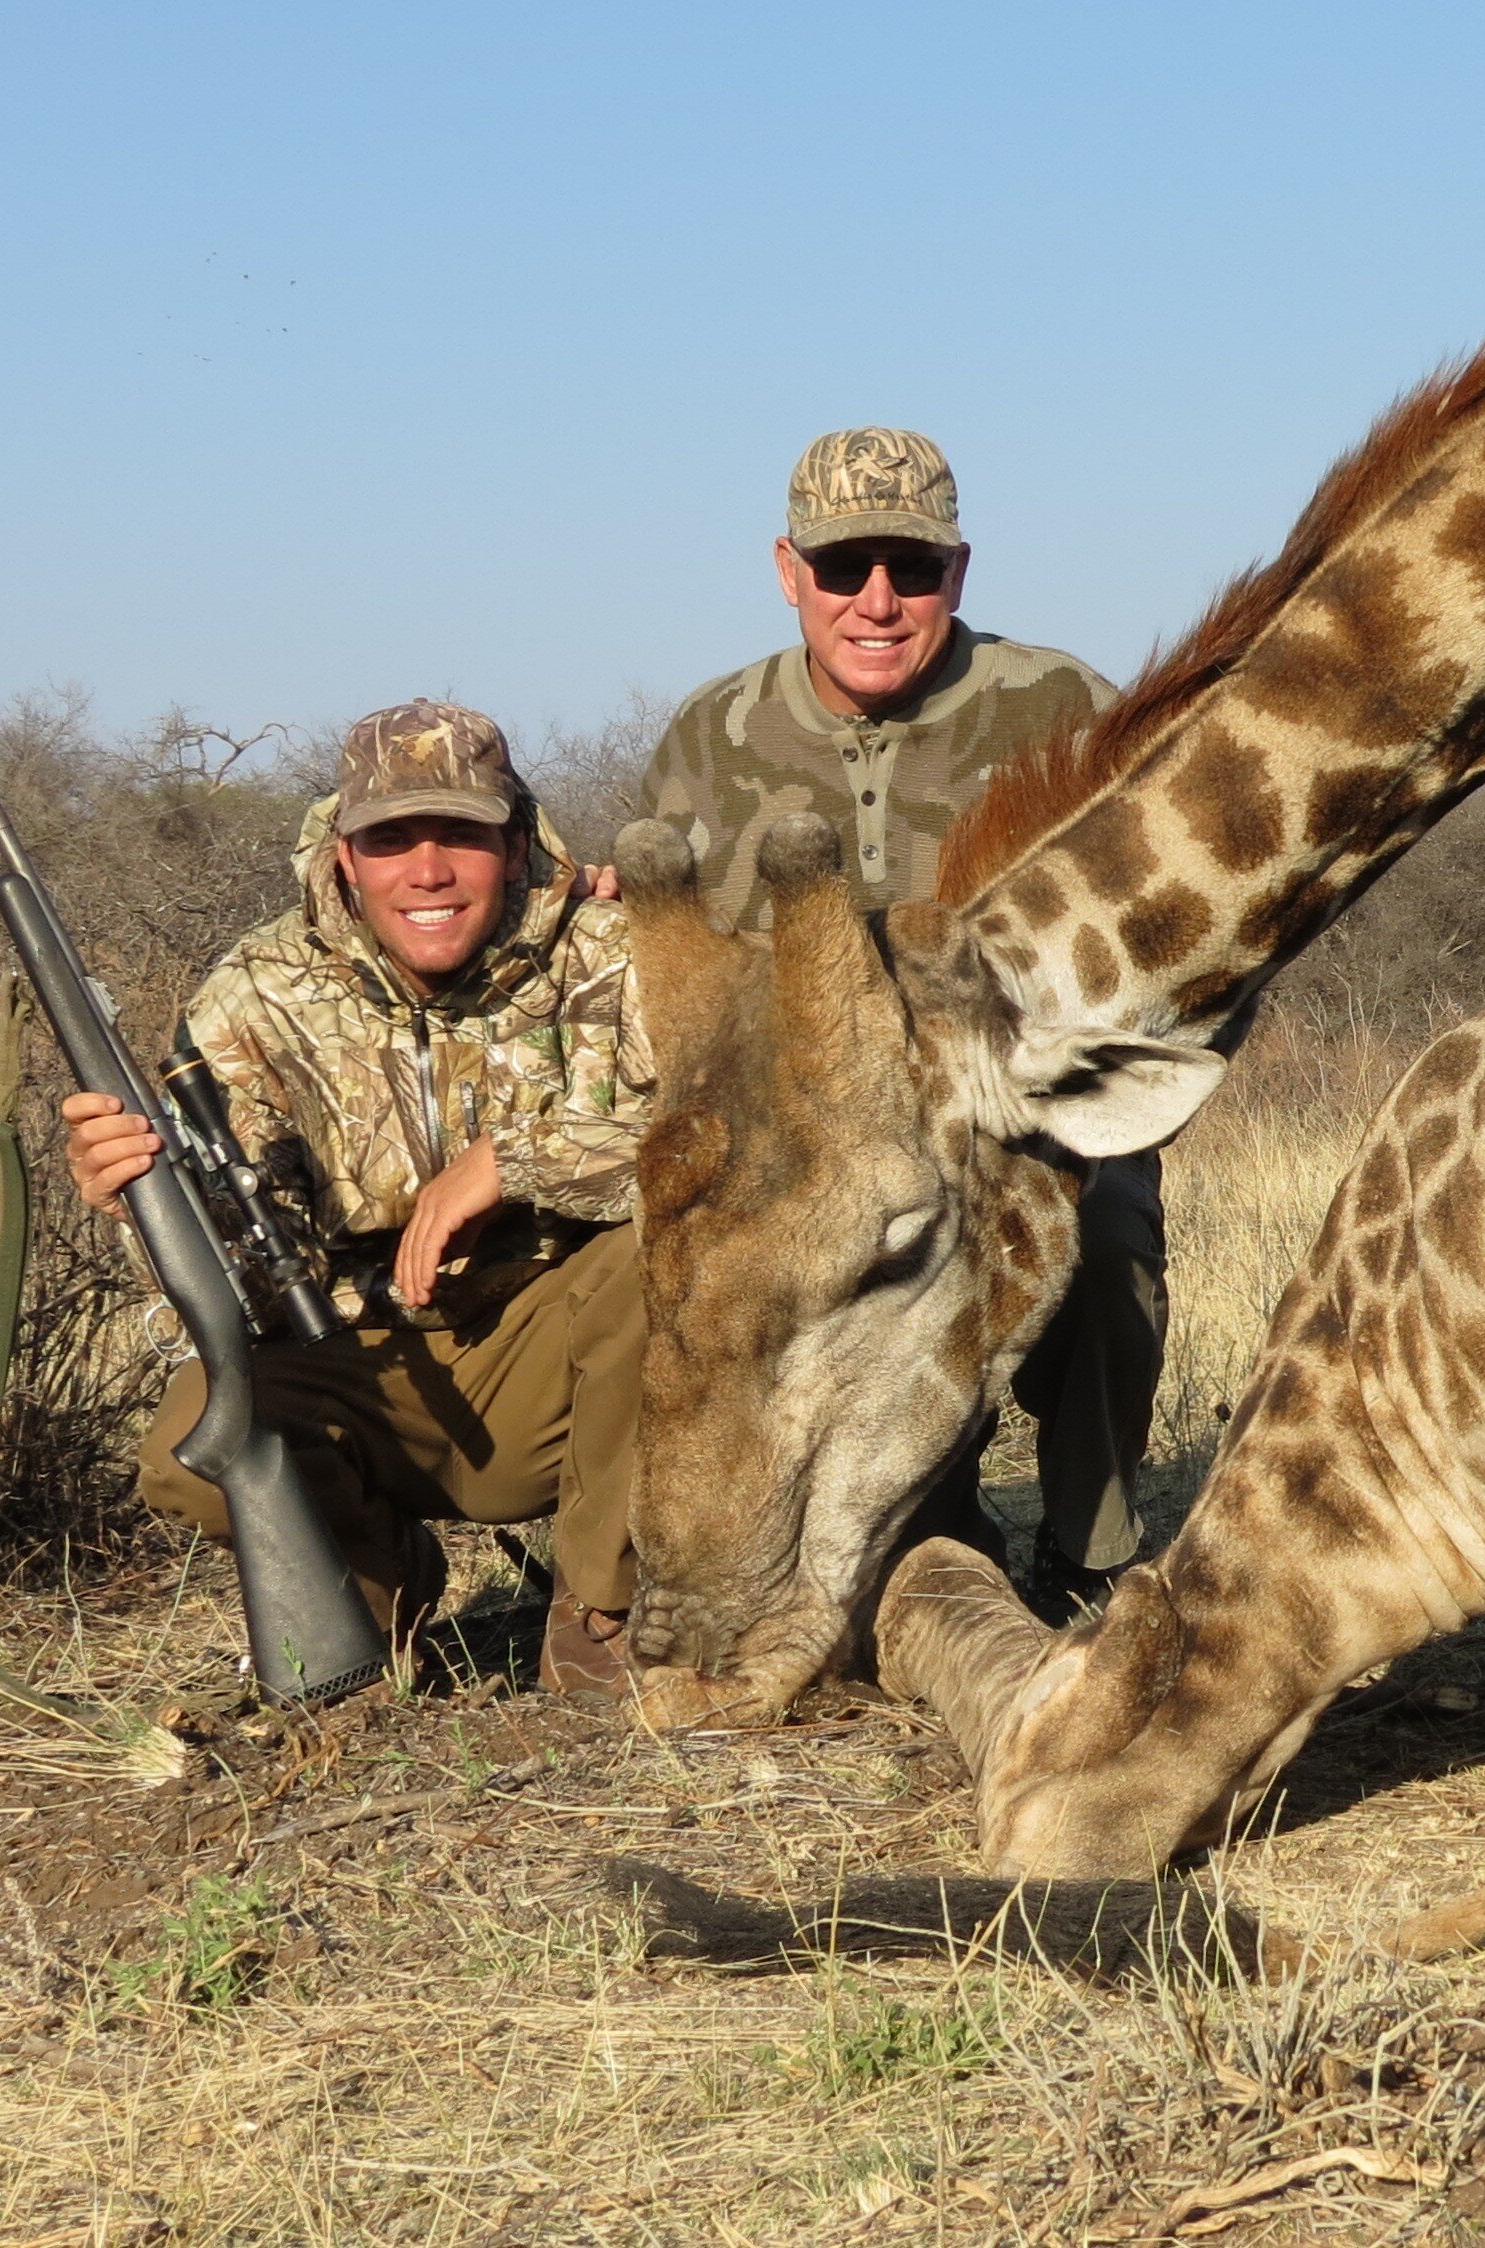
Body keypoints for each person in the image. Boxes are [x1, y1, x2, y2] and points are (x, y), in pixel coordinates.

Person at [644, 426, 1162, 1618]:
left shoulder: (1065, 705)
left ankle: (1092, 1558)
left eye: (912, 569)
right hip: (812, 1136)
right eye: (843, 569)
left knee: (1114, 1242)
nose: (877, 602)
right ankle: (724, 1562)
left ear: (958, 573)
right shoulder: (705, 736)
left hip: (1014, 1109)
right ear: (788, 573)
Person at [61, 701, 650, 1695]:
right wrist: (144, 1203)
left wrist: (517, 1161)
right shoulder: (255, 988)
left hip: (557, 1357)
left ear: (513, 843)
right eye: (390, 840)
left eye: (461, 833)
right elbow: (238, 1265)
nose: (427, 871)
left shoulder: (613, 951)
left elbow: (732, 1141)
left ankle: (602, 1611)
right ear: (343, 854)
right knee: (190, 1443)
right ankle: (375, 1582)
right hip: (361, 1360)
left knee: (670, 1248)